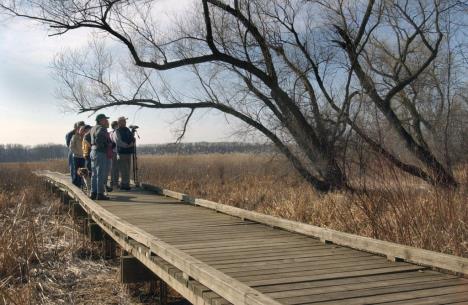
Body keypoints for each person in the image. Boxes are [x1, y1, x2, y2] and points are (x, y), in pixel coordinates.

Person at [90, 114, 112, 200]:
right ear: (101, 120)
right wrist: (106, 145)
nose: (106, 121)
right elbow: (99, 138)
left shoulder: (93, 128)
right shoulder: (102, 128)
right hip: (100, 152)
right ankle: (100, 194)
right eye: (105, 119)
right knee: (100, 174)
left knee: (94, 174)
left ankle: (93, 193)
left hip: (93, 151)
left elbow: (89, 138)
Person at [114, 116, 135, 190]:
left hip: (128, 152)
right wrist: (127, 145)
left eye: (125, 121)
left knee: (128, 169)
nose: (125, 123)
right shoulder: (117, 131)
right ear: (119, 122)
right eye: (123, 121)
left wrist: (132, 142)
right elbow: (118, 141)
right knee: (123, 169)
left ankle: (126, 184)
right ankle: (124, 185)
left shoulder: (127, 130)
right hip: (121, 152)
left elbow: (132, 138)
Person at [109, 121, 119, 190]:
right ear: (116, 126)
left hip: (112, 151)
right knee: (116, 168)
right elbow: (117, 142)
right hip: (115, 151)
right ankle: (115, 183)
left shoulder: (110, 132)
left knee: (113, 168)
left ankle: (112, 182)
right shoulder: (115, 132)